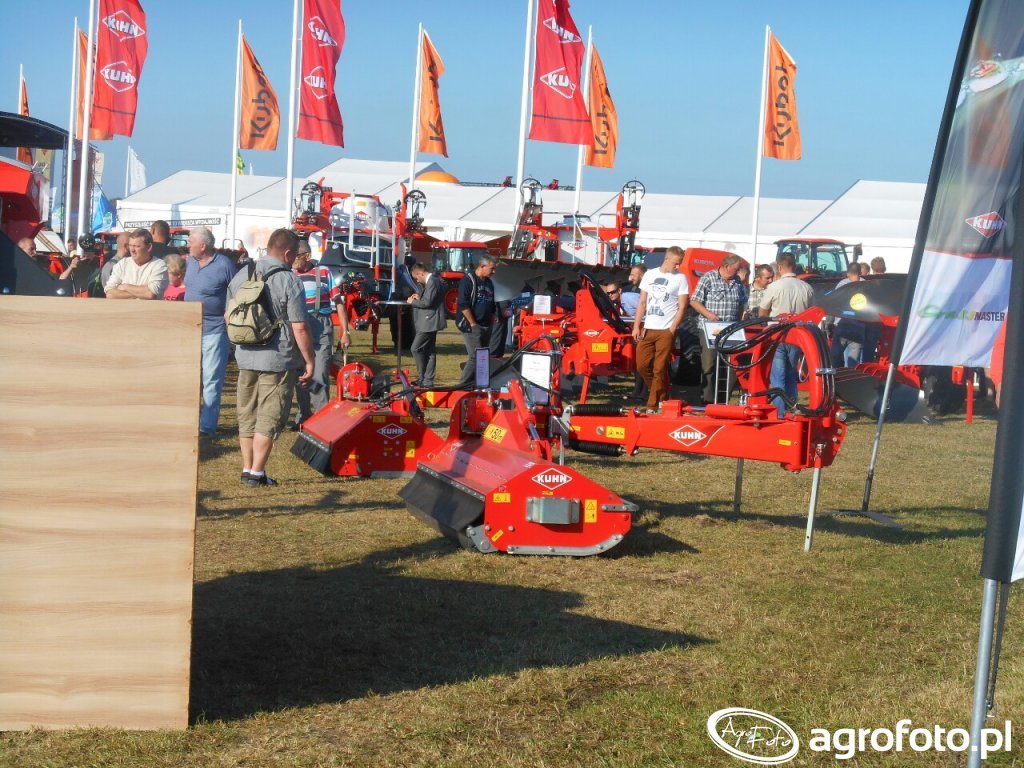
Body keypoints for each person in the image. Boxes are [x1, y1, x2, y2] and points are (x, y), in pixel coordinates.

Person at [227, 228, 314, 487]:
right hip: (277, 359)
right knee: (270, 415)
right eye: (294, 255)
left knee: (247, 413)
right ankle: (257, 472)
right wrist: (309, 360)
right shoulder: (289, 280)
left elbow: (228, 316)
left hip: (245, 356)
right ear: (288, 253)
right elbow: (299, 326)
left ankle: (247, 467)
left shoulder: (243, 273)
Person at [185, 226, 237, 437]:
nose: (187, 245)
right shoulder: (190, 262)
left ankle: (206, 427)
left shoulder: (224, 265)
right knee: (188, 378)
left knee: (211, 379)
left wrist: (230, 314)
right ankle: (188, 422)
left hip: (214, 330)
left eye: (191, 242)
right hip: (189, 330)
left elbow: (236, 292)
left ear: (203, 246)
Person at [292, 239, 349, 426]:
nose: (293, 261)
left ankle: (321, 418)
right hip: (298, 327)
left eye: (296, 257)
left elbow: (339, 303)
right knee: (301, 373)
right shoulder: (291, 275)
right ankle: (304, 415)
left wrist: (345, 332)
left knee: (319, 373)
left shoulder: (323, 272)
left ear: (307, 256)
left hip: (320, 326)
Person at [633, 246, 690, 410]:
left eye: (679, 263)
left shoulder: (681, 278)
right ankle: (662, 393)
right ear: (667, 259)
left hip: (666, 330)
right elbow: (642, 302)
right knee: (642, 365)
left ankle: (652, 405)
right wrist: (636, 325)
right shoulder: (650, 274)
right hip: (648, 328)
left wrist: (672, 328)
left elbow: (682, 306)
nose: (677, 266)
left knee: (659, 368)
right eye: (676, 263)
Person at [759, 252, 815, 417]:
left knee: (778, 377)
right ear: (794, 266)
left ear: (779, 267)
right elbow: (812, 313)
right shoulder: (806, 287)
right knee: (791, 374)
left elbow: (762, 313)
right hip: (798, 336)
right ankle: (792, 408)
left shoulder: (774, 287)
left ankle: (779, 413)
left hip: (778, 336)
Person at [689, 253, 746, 404]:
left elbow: (741, 303)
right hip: (709, 328)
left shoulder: (737, 281)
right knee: (709, 364)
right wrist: (708, 314)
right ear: (726, 266)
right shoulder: (709, 277)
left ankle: (723, 399)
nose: (738, 271)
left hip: (731, 330)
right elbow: (694, 301)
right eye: (736, 269)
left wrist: (739, 322)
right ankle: (707, 401)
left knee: (732, 366)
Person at [456, 255, 497, 388]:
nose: (494, 272)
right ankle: (462, 386)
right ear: (482, 266)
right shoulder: (468, 281)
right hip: (471, 325)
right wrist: (473, 324)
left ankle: (477, 386)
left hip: (486, 325)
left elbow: (492, 302)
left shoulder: (489, 283)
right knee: (476, 356)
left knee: (483, 358)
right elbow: (463, 304)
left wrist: (492, 318)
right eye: (492, 268)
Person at [407, 262, 447, 387]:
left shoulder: (432, 282)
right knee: (429, 351)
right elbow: (429, 300)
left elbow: (427, 303)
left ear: (421, 273)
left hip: (429, 321)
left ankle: (423, 376)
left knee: (415, 348)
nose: (417, 280)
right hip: (430, 321)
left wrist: (413, 302)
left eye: (416, 278)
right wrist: (420, 297)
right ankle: (427, 380)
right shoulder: (434, 280)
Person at [104, 228, 168, 299]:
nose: (132, 250)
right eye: (130, 245)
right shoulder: (122, 264)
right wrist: (141, 293)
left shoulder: (159, 265)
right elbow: (110, 294)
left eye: (136, 246)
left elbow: (151, 294)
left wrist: (125, 286)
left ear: (149, 247)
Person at [829, 263, 865, 367]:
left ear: (848, 273)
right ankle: (850, 376)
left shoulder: (842, 284)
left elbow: (833, 304)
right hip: (858, 328)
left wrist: (829, 323)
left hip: (842, 326)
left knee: (833, 360)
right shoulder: (865, 285)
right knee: (852, 364)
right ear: (860, 272)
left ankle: (833, 376)